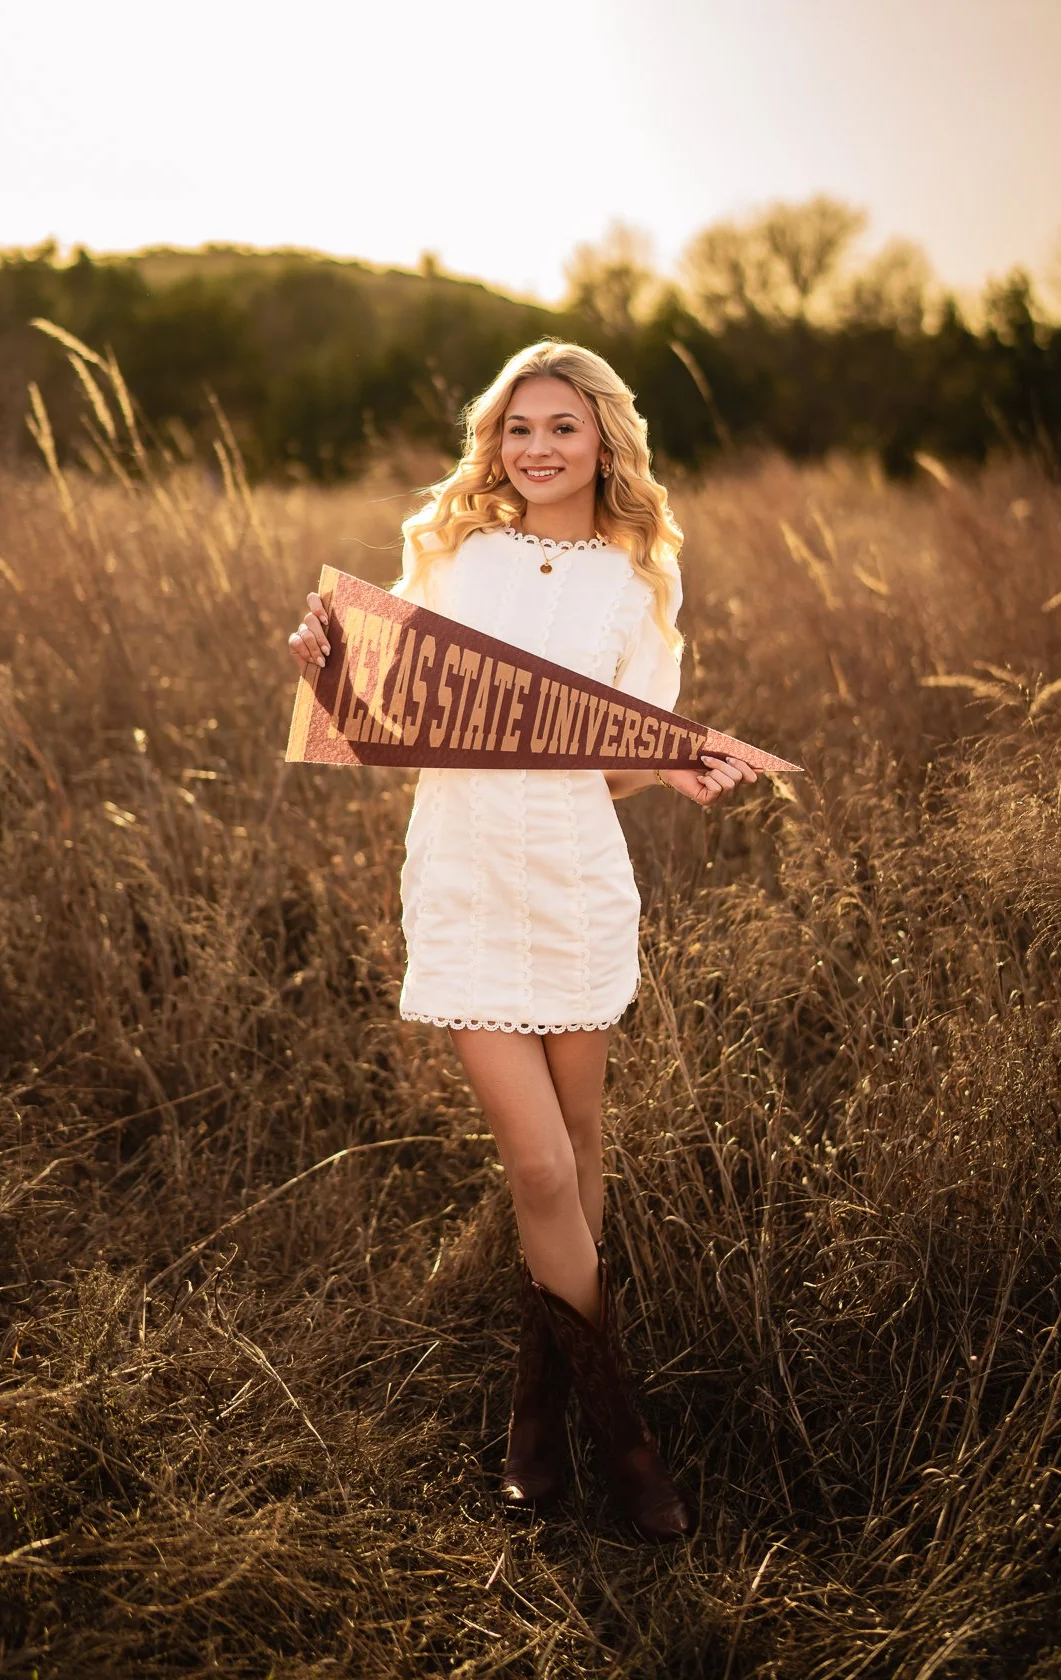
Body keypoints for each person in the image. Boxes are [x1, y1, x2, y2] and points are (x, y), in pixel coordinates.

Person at [287, 340, 759, 1542]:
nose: (537, 449)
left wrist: (675, 760)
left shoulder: (641, 575)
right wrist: (328, 670)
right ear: (493, 444)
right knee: (542, 1171)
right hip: (467, 874)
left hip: (575, 879)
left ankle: (533, 1404)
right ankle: (628, 1437)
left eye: (561, 427)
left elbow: (625, 754)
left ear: (604, 438)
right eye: (517, 429)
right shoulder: (449, 552)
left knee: (583, 1152)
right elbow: (393, 709)